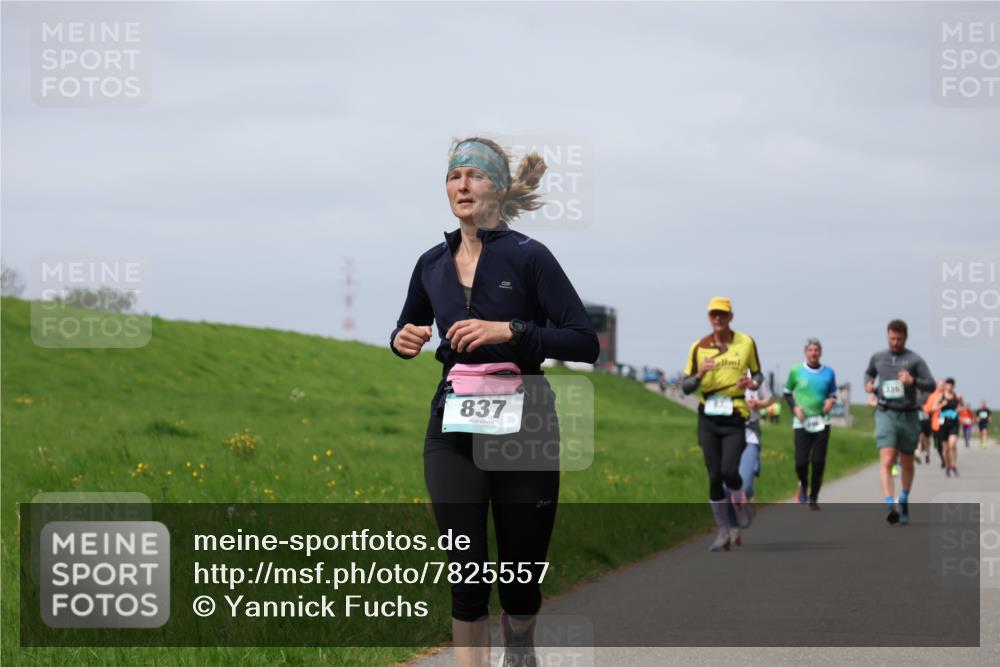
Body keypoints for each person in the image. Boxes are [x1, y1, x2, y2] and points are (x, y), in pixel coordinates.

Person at [390, 137, 599, 667]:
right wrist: (403, 340)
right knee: (465, 573)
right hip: (452, 423)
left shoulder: (530, 257)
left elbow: (583, 341)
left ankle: (521, 644)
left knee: (519, 575)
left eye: (475, 175)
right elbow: (408, 324)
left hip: (525, 422)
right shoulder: (430, 263)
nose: (462, 184)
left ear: (499, 190)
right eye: (454, 175)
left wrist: (512, 328)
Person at [681, 297, 764, 552]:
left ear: (730, 317)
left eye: (723, 315)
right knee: (714, 475)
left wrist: (753, 384)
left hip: (735, 414)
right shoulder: (698, 347)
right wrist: (699, 374)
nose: (718, 319)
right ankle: (723, 531)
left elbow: (758, 374)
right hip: (708, 416)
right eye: (714, 315)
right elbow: (685, 387)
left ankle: (740, 505)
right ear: (709, 317)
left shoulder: (746, 342)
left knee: (730, 471)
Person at [864, 319, 936, 526]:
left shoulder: (915, 360)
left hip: (908, 414)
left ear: (905, 337)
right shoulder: (878, 357)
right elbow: (869, 373)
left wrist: (912, 381)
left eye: (899, 339)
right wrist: (868, 384)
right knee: (887, 459)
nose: (894, 342)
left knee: (906, 462)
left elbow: (930, 384)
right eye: (891, 338)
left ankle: (903, 499)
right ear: (887, 336)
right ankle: (889, 504)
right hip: (886, 412)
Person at [783, 338, 838, 510]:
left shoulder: (829, 372)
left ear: (820, 352)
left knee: (818, 461)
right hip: (802, 422)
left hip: (822, 421)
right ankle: (803, 485)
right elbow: (787, 392)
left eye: (816, 350)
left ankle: (814, 497)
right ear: (805, 352)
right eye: (810, 350)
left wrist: (831, 401)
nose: (813, 353)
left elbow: (833, 394)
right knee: (801, 462)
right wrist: (795, 408)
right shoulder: (796, 371)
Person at [726, 372, 775, 545]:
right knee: (725, 486)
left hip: (749, 434)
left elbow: (769, 399)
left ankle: (748, 495)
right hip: (725, 433)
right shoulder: (720, 371)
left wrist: (758, 404)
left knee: (744, 485)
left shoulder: (755, 376)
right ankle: (732, 528)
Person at [933, 378, 964, 477]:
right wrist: (941, 405)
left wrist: (960, 409)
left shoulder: (957, 396)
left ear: (953, 386)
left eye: (951, 385)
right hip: (943, 424)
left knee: (952, 445)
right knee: (945, 449)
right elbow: (933, 408)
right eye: (947, 384)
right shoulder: (941, 396)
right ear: (945, 386)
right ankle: (947, 466)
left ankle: (953, 465)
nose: (949, 386)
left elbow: (963, 407)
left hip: (954, 423)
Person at [916, 389, 933, 464]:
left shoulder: (928, 395)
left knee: (926, 439)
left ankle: (927, 453)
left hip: (926, 420)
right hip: (917, 420)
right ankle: (918, 454)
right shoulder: (912, 395)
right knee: (919, 438)